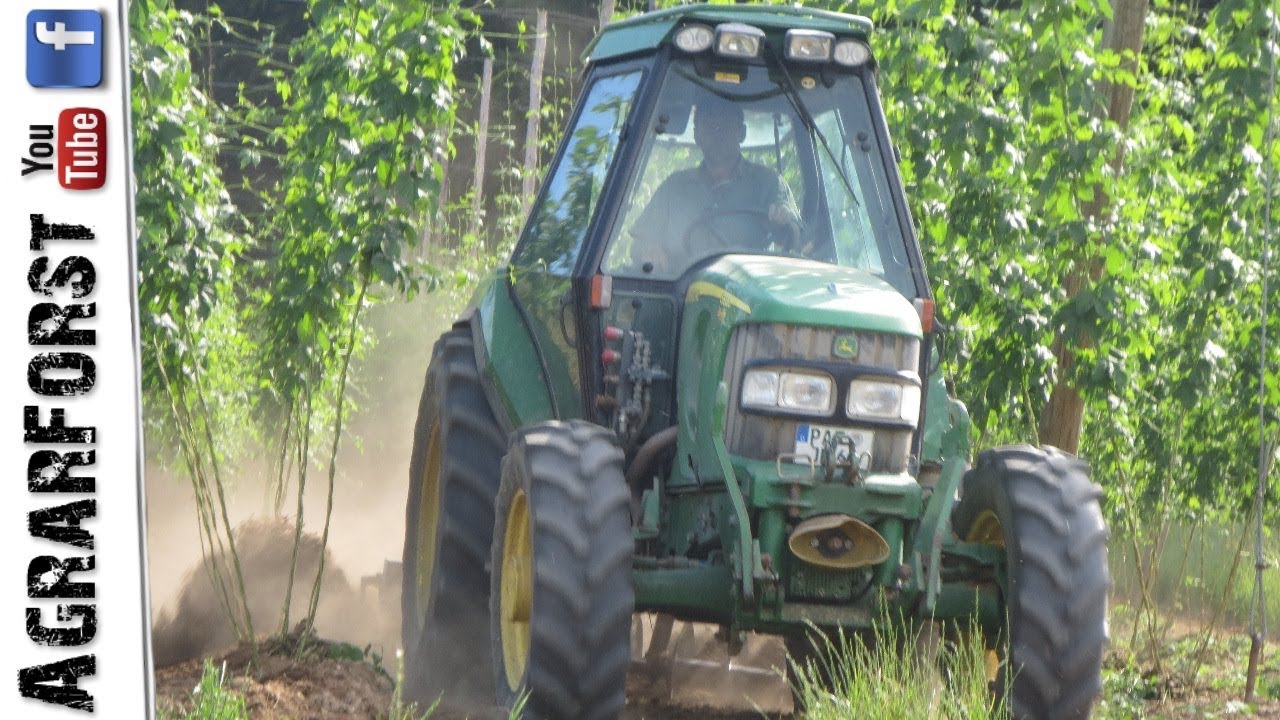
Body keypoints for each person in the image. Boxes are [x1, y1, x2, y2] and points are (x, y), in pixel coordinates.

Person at [629, 94, 801, 274]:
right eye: (710, 125)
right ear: (697, 135)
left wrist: (783, 224)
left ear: (741, 132)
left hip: (747, 296)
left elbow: (798, 240)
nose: (718, 132)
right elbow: (638, 246)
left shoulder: (769, 183)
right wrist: (648, 249)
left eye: (726, 125)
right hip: (681, 293)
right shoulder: (673, 187)